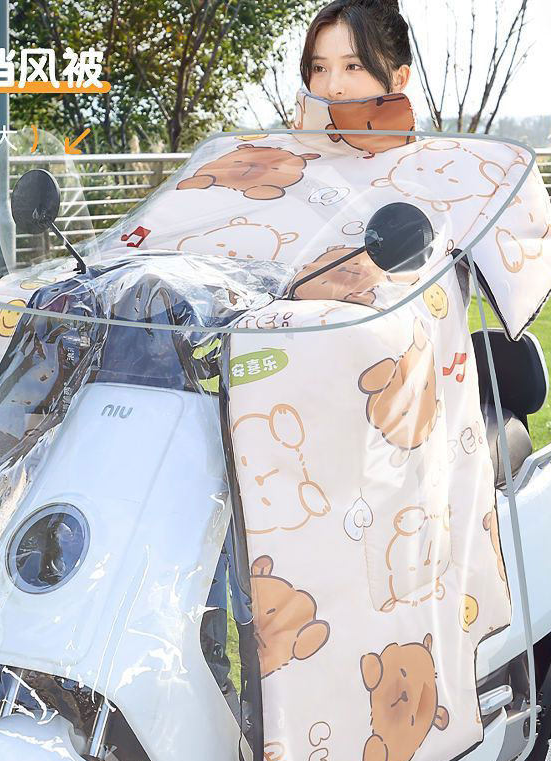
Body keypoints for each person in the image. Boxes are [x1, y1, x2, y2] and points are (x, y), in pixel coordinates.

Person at [200, 0, 420, 714]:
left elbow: (406, 281)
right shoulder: (291, 168)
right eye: (319, 68)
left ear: (397, 76)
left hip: (356, 406)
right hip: (266, 391)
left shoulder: (425, 170)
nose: (333, 84)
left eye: (353, 66)